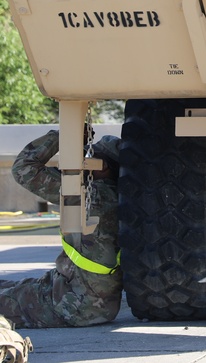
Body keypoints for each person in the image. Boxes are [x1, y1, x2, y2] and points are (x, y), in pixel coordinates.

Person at [0, 129, 122, 328]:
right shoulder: (120, 198)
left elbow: (24, 168)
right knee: (9, 286)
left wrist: (66, 135)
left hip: (70, 303)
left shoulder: (90, 196)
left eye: (91, 157)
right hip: (88, 300)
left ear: (103, 166)